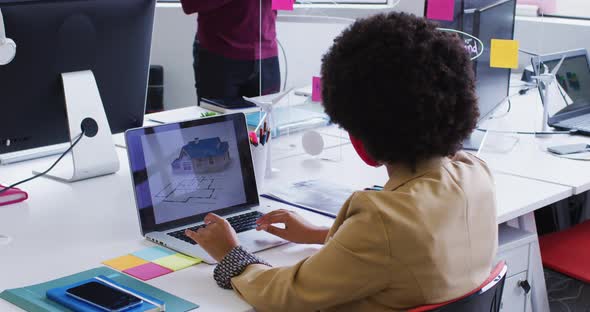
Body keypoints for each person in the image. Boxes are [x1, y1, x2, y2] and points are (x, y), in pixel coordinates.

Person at [184, 12, 498, 311]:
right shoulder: (476, 174)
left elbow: (283, 295)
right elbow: (409, 251)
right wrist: (322, 235)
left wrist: (230, 255)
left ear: (362, 132)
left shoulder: (382, 221)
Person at [180, 0, 280, 103]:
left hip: (267, 57)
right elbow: (189, 5)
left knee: (265, 118)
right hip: (218, 57)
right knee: (218, 119)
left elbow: (285, 3)